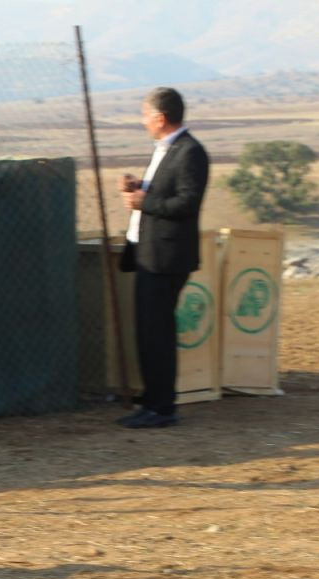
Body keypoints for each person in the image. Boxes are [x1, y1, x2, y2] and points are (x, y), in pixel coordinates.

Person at [116, 86, 209, 429]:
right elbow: (166, 192)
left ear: (160, 117)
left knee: (157, 332)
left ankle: (162, 407)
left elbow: (186, 203)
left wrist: (144, 202)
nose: (142, 122)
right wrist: (140, 185)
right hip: (149, 253)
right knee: (148, 330)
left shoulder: (190, 152)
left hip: (166, 257)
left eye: (145, 115)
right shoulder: (167, 151)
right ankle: (152, 402)